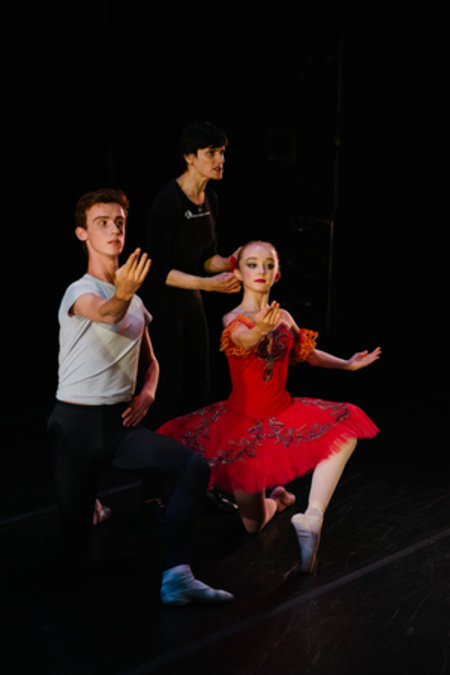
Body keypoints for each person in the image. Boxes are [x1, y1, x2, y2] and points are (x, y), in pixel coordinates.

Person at [47, 188, 233, 606]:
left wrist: (148, 390)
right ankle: (89, 512)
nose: (114, 230)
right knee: (75, 553)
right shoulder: (79, 291)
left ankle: (177, 576)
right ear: (82, 233)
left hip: (120, 425)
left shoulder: (136, 302)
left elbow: (152, 361)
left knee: (193, 467)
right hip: (75, 427)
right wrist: (124, 293)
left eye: (119, 222)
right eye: (102, 223)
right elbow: (107, 312)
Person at [158, 241, 381, 573]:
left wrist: (347, 364)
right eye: (252, 264)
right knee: (252, 525)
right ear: (238, 273)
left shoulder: (284, 317)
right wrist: (259, 330)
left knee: (346, 427)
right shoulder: (232, 317)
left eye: (268, 265)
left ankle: (312, 515)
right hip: (241, 426)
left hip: (282, 412)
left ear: (277, 274)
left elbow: (309, 354)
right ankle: (279, 500)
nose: (260, 271)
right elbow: (242, 340)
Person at [143, 121, 241, 430]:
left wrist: (232, 262)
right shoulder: (168, 201)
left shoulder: (210, 199)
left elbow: (206, 259)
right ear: (189, 157)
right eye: (211, 153)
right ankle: (160, 451)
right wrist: (207, 285)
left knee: (200, 382)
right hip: (163, 306)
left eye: (222, 152)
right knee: (168, 387)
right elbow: (156, 270)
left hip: (192, 303)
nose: (220, 160)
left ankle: (195, 451)